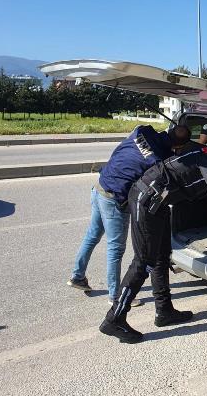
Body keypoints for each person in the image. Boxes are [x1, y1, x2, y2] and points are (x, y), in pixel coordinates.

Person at [99, 146, 207, 343]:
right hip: (145, 201)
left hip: (160, 204)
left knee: (162, 257)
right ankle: (114, 318)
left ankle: (164, 311)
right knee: (143, 262)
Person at [67, 124, 191, 306]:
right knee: (115, 249)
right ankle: (115, 296)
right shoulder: (160, 160)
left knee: (92, 236)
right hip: (115, 198)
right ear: (178, 147)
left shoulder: (144, 130)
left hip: (100, 186)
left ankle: (77, 276)